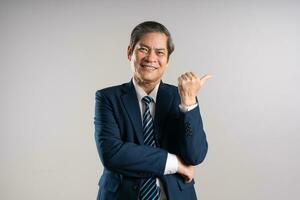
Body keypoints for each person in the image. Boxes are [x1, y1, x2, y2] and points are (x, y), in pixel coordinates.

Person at [94, 21, 211, 200]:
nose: (151, 58)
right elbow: (112, 154)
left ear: (167, 60)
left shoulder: (181, 96)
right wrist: (175, 163)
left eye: (160, 52)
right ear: (129, 52)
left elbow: (195, 155)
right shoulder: (108, 98)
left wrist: (188, 103)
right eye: (143, 49)